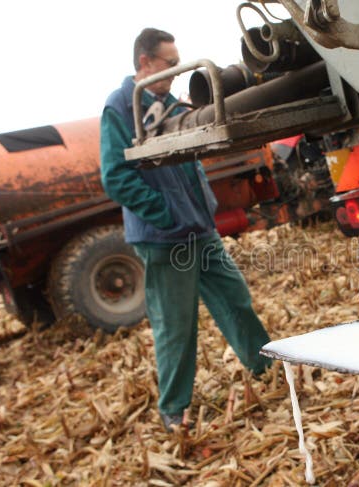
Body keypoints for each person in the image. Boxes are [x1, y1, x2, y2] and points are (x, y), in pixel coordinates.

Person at [99, 27, 272, 432]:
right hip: (165, 237)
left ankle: (267, 371)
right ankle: (174, 411)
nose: (176, 71)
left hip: (199, 229)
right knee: (176, 326)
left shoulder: (169, 104)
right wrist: (165, 214)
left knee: (236, 301)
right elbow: (115, 177)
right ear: (145, 62)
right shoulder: (122, 106)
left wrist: (203, 207)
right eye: (169, 63)